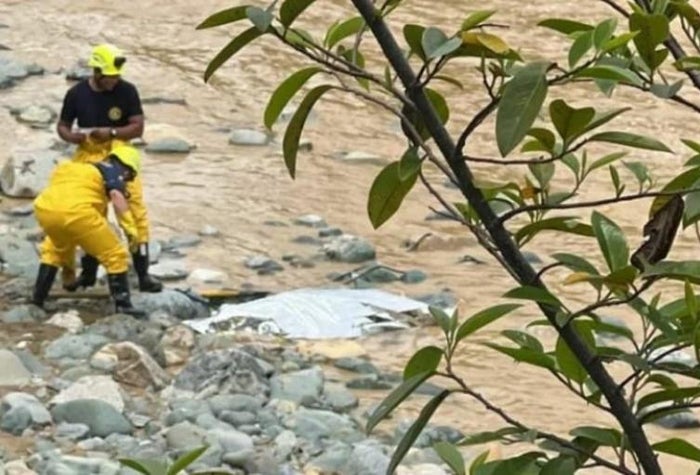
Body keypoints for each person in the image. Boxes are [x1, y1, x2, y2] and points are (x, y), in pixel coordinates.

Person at [52, 43, 162, 293]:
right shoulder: (77, 94)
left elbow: (137, 127)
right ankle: (88, 273)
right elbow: (63, 125)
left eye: (116, 77)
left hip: (119, 154)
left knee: (135, 214)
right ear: (97, 72)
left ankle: (143, 274)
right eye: (109, 77)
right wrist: (71, 137)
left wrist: (111, 132)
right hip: (87, 155)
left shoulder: (127, 91)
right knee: (89, 213)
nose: (114, 81)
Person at [32, 145, 145, 317]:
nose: (127, 182)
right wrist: (131, 229)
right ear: (127, 168)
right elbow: (116, 197)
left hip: (45, 209)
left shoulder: (75, 169)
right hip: (78, 213)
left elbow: (92, 234)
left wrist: (76, 273)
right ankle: (123, 305)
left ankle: (37, 299)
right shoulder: (113, 172)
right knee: (115, 254)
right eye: (130, 177)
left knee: (53, 251)